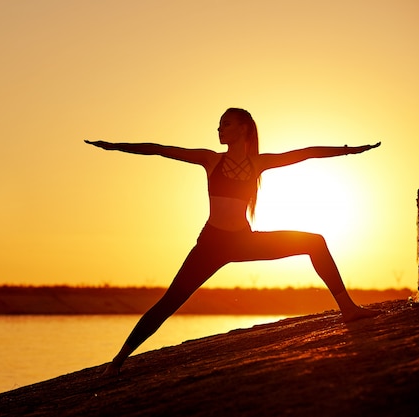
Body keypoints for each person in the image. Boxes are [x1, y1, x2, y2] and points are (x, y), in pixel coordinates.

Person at [85, 108, 381, 376]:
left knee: (314, 242)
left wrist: (350, 151)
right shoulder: (210, 159)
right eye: (219, 125)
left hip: (243, 242)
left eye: (225, 124)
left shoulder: (259, 163)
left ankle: (348, 309)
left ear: (243, 128)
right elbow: (161, 150)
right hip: (211, 245)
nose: (219, 130)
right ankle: (119, 360)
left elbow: (306, 153)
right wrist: (114, 146)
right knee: (170, 301)